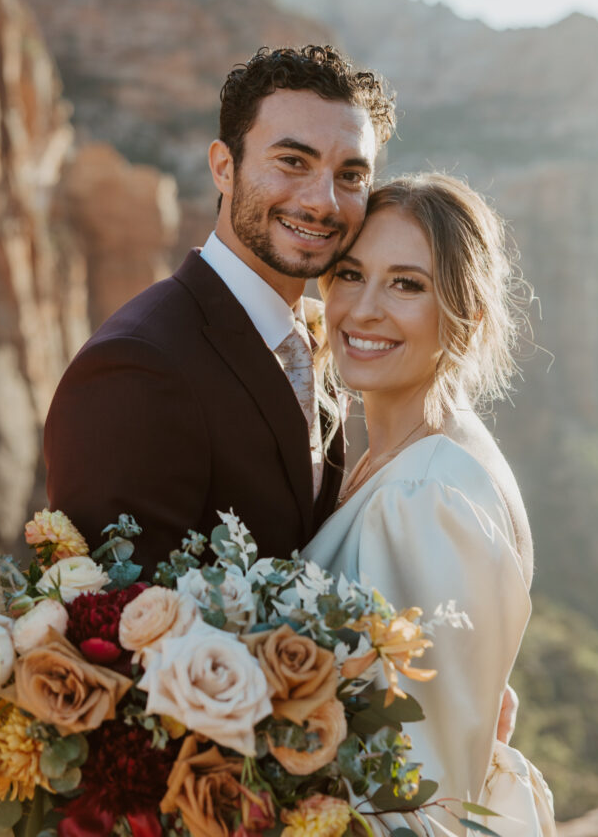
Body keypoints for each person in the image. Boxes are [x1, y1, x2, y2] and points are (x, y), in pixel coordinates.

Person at [44, 45, 395, 575]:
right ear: (224, 167)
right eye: (293, 162)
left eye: (350, 175)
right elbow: (109, 627)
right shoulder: (137, 367)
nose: (323, 201)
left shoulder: (311, 341)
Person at [304, 173, 556, 837]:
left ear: (465, 316)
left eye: (406, 284)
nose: (362, 310)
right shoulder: (405, 459)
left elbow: (415, 796)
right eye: (351, 274)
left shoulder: (428, 493)